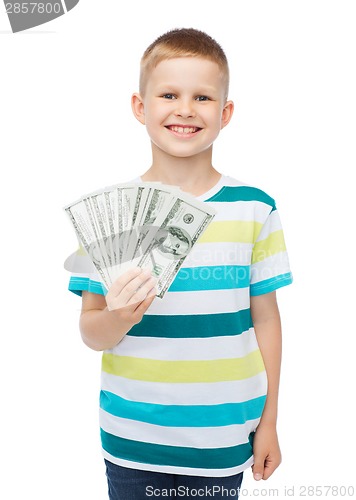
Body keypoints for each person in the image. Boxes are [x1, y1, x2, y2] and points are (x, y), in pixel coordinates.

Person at [67, 28, 293, 499]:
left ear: (225, 113)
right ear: (140, 107)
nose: (185, 109)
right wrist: (116, 318)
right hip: (133, 438)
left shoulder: (255, 208)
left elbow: (266, 320)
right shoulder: (114, 213)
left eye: (203, 97)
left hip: (224, 438)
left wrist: (269, 420)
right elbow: (90, 332)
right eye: (168, 94)